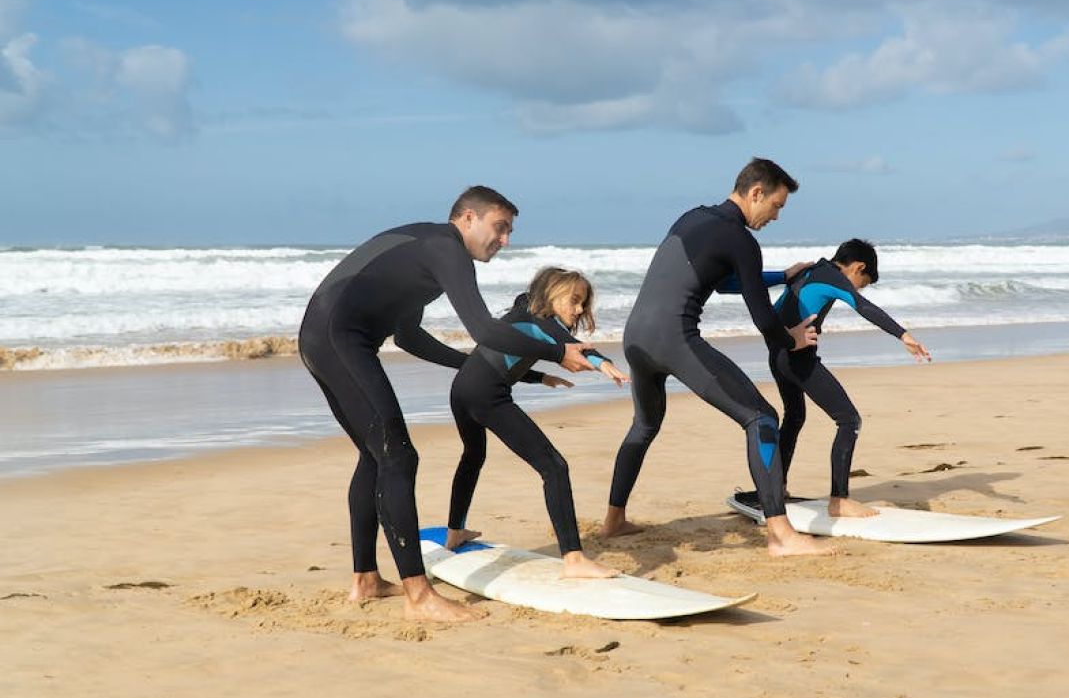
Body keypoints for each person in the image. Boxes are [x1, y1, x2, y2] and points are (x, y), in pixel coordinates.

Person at [298, 186, 595, 622]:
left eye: (510, 231)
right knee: (399, 457)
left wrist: (468, 366)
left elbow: (408, 336)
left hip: (322, 337)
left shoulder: (427, 250)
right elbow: (486, 330)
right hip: (338, 340)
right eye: (500, 227)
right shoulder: (446, 250)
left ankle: (365, 579)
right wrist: (557, 352)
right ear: (468, 218)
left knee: (376, 456)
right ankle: (419, 597)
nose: (505, 240)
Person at [603, 158, 831, 556]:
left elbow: (724, 282)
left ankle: (614, 521)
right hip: (674, 339)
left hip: (636, 338)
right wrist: (791, 340)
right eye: (776, 206)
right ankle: (780, 534)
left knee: (644, 426)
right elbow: (763, 317)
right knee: (761, 417)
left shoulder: (692, 219)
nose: (776, 216)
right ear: (755, 192)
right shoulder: (741, 239)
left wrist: (782, 275)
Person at [447, 267, 630, 578]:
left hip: (462, 389)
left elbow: (500, 356)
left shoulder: (522, 314)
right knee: (554, 467)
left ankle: (455, 532)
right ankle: (574, 560)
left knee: (473, 457)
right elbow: (568, 344)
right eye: (574, 300)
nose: (579, 309)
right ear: (550, 295)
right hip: (487, 395)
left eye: (583, 303)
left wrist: (539, 377)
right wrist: (604, 363)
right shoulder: (540, 320)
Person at [737, 238, 930, 519]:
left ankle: (775, 487)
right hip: (797, 359)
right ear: (858, 267)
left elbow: (777, 311)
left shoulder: (810, 271)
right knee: (849, 420)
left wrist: (783, 345)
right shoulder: (835, 278)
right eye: (861, 281)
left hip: (778, 354)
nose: (856, 287)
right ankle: (839, 499)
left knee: (794, 417)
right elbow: (864, 307)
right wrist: (904, 335)